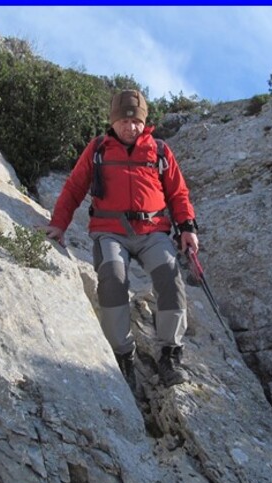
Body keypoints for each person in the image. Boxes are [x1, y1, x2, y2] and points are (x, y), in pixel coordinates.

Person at [41, 89, 199, 390]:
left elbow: (178, 193)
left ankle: (169, 354)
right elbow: (74, 187)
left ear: (144, 121)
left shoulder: (160, 150)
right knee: (112, 277)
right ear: (113, 121)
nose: (131, 127)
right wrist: (58, 225)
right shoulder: (98, 149)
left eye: (137, 121)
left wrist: (187, 228)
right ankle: (123, 355)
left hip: (153, 231)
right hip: (109, 231)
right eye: (124, 121)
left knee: (169, 276)